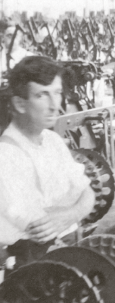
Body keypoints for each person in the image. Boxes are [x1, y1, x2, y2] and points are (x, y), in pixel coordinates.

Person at [0, 56, 94, 267]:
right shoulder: (6, 155)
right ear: (19, 104)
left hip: (65, 253)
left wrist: (69, 214)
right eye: (42, 95)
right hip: (31, 267)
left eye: (57, 93)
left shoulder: (52, 141)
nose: (55, 105)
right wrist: (75, 208)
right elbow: (40, 228)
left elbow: (89, 194)